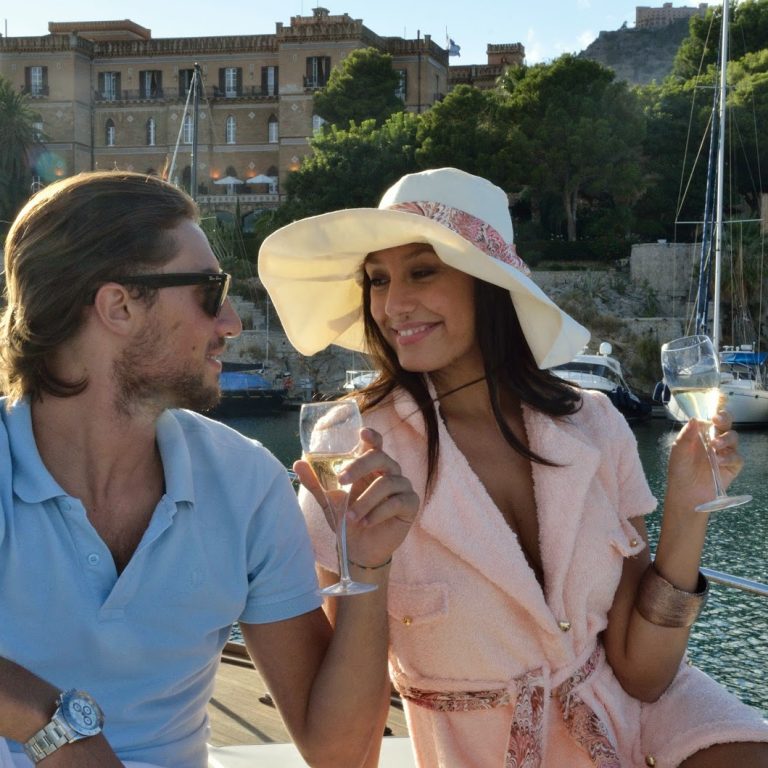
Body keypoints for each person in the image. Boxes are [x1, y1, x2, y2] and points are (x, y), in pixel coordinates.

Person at [258, 167, 768, 767]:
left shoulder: (592, 423)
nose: (393, 305)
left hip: (628, 713)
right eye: (377, 280)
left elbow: (644, 675)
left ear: (488, 284)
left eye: (423, 271)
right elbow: (344, 754)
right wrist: (368, 564)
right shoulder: (354, 447)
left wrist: (688, 507)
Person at [0, 171, 418, 768]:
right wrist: (55, 727)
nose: (231, 323)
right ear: (118, 306)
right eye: (209, 291)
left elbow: (341, 755)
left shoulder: (245, 483)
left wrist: (369, 566)